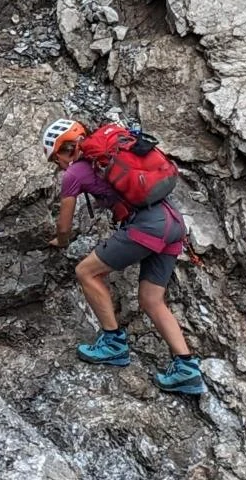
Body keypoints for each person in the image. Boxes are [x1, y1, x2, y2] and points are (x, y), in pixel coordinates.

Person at [43, 118, 204, 395]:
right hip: (174, 224)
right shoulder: (111, 160)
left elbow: (64, 226)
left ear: (62, 150)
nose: (57, 166)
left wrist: (60, 241)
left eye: (54, 158)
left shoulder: (75, 174)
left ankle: (113, 343)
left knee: (86, 272)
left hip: (147, 226)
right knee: (152, 299)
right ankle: (187, 369)